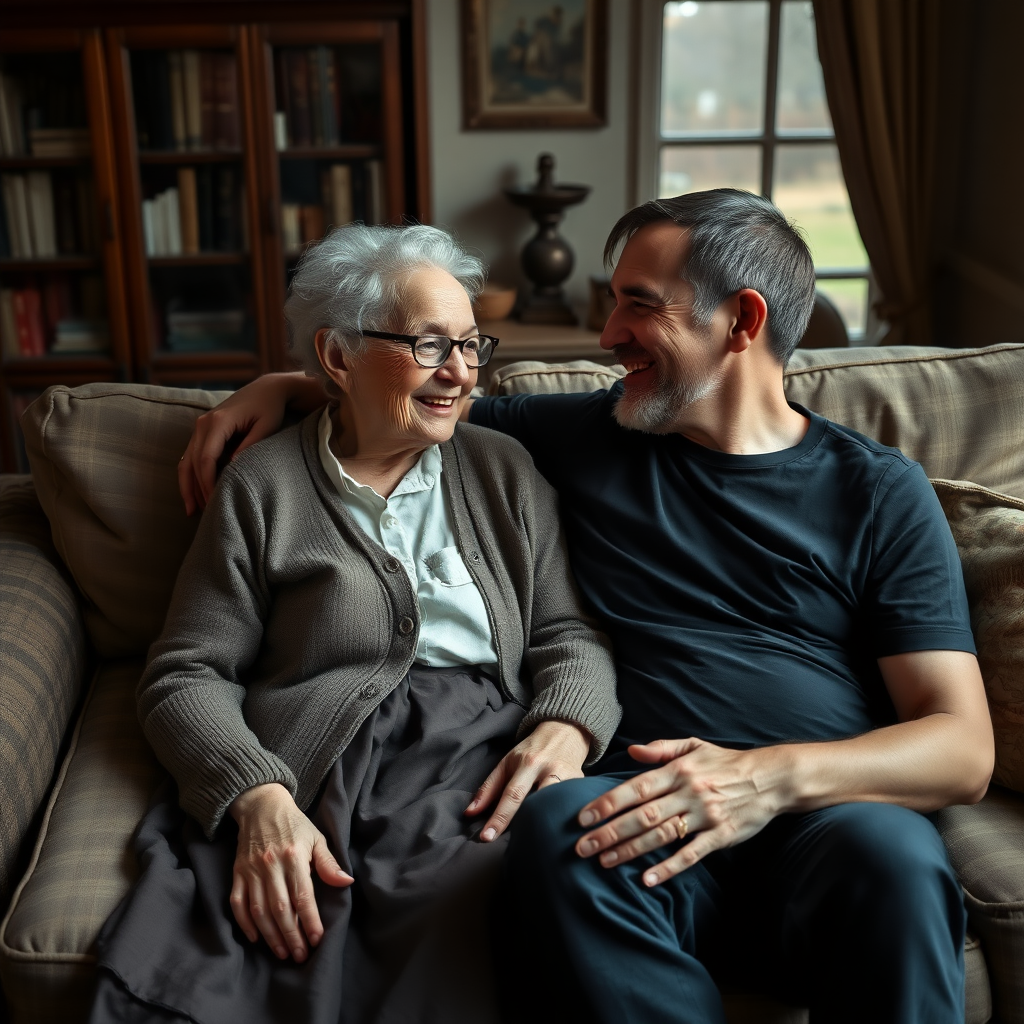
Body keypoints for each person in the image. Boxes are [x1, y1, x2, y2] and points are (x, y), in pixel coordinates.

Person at [179, 190, 994, 1024]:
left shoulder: (879, 491)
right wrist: (288, 384)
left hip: (822, 825)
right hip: (641, 825)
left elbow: (961, 750)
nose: (606, 337)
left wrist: (763, 779)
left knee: (898, 855)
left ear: (741, 321)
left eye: (638, 305)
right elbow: (414, 399)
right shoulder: (582, 433)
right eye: (612, 301)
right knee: (563, 824)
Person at [90, 223, 619, 1024]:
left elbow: (568, 635)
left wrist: (569, 727)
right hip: (317, 756)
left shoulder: (503, 470)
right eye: (431, 344)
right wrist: (256, 795)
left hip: (476, 760)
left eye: (473, 345)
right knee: (250, 933)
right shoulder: (262, 487)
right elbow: (187, 671)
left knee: (474, 905)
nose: (460, 372)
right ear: (337, 357)